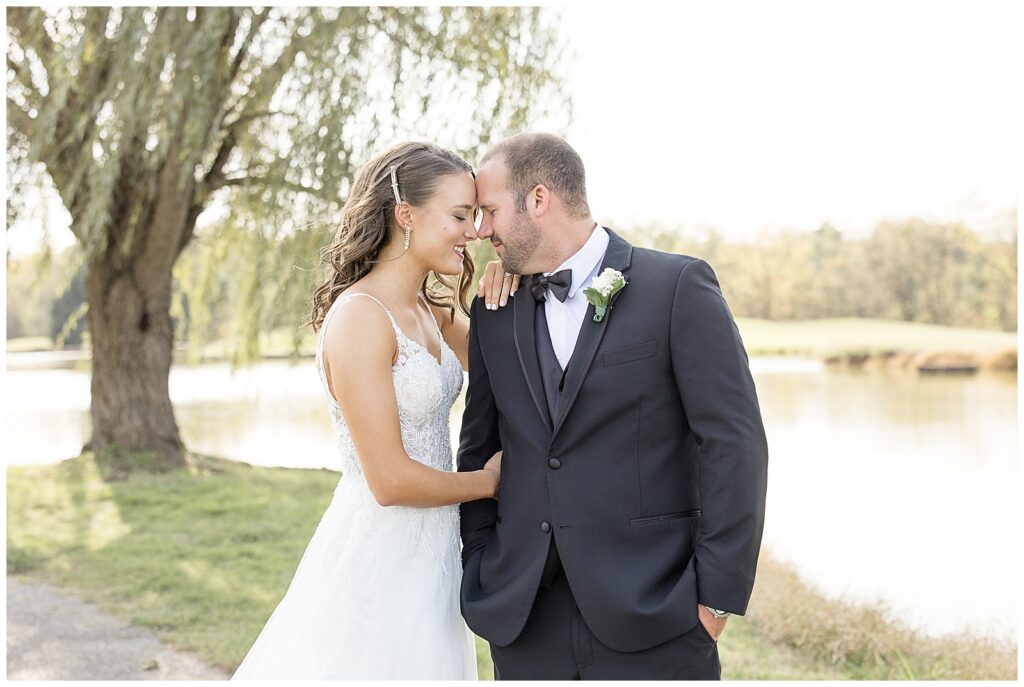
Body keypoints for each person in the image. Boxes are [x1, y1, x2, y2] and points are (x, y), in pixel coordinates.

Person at [457, 132, 769, 680]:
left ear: (538, 199)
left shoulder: (675, 287)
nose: (480, 230)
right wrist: (481, 559)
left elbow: (733, 443)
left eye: (488, 210)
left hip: (658, 613)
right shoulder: (493, 308)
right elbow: (479, 443)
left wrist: (715, 600)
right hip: (525, 619)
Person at [232, 142, 510, 680]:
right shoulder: (360, 318)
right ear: (406, 215)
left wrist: (508, 294)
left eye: (475, 216)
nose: (474, 231)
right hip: (380, 556)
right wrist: (489, 483)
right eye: (459, 215)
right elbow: (388, 480)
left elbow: (509, 376)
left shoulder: (434, 310)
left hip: (433, 550)